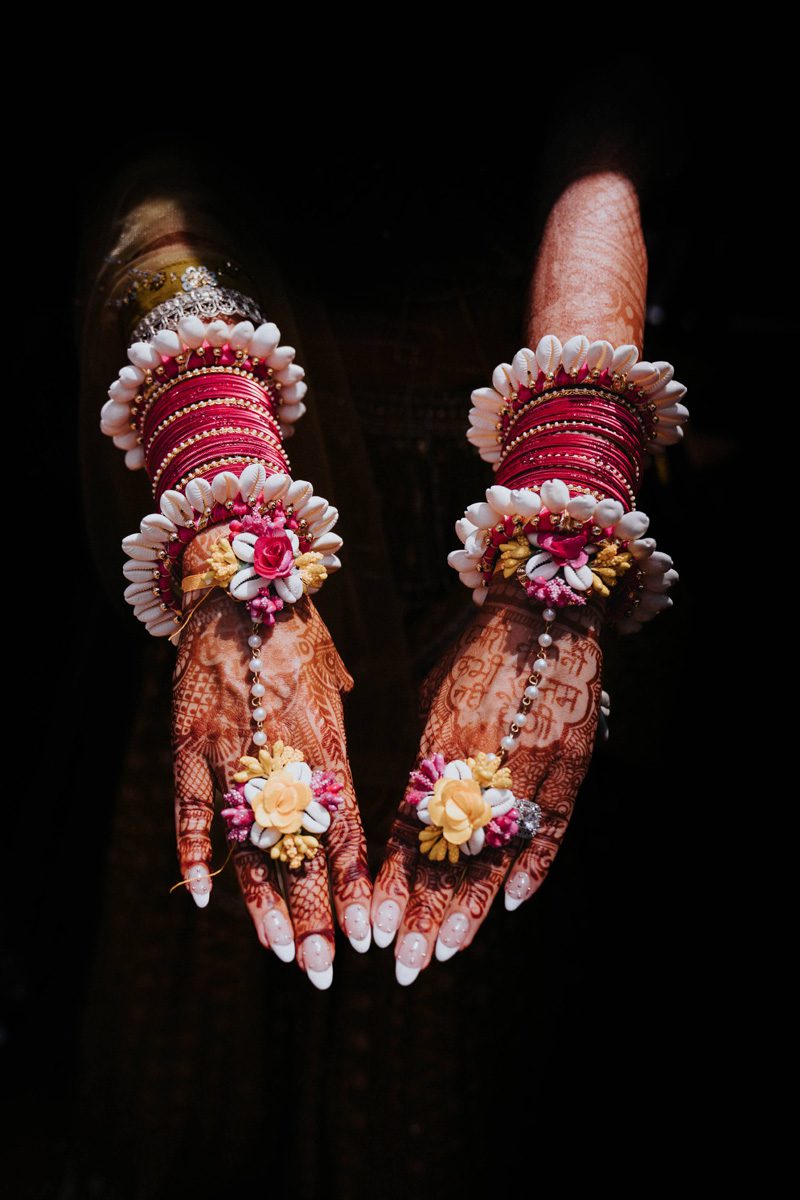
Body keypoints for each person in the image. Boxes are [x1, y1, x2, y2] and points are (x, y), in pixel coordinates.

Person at [67, 129, 687, 1197]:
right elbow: (154, 154)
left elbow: (605, 135)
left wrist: (564, 522)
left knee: (465, 961)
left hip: (476, 491)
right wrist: (227, 529)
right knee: (237, 852)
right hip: (253, 463)